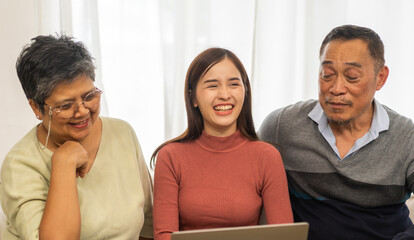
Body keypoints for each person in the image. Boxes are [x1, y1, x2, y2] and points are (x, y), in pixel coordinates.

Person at [258, 24, 414, 240]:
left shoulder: (407, 138)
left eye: (351, 77)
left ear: (380, 78)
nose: (337, 88)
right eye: (327, 74)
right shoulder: (282, 126)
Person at [0, 35, 153, 239]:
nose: (82, 111)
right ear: (36, 107)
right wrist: (63, 164)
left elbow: (149, 224)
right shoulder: (20, 165)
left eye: (89, 96)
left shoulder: (122, 133)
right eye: (65, 105)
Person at [151, 47, 293, 240]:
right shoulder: (170, 157)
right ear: (193, 97)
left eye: (233, 84)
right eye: (212, 85)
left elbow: (283, 236)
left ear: (245, 91)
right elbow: (164, 235)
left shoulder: (267, 156)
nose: (225, 95)